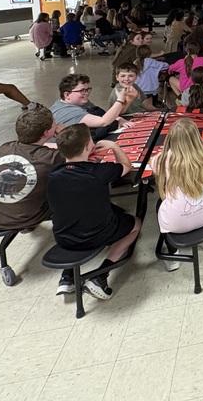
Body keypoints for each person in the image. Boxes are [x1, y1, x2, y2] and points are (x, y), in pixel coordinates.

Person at [46, 124, 142, 300]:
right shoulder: (99, 172)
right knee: (136, 223)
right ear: (87, 147)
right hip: (98, 234)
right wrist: (114, 146)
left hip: (63, 237)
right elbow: (125, 165)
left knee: (80, 212)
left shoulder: (53, 174)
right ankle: (101, 275)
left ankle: (67, 277)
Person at [0, 107, 64, 234]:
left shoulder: (6, 147)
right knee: (67, 185)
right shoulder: (50, 157)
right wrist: (64, 134)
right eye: (54, 124)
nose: (57, 125)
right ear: (46, 133)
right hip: (23, 220)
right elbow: (77, 150)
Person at [152, 119, 203, 269]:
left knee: (160, 204)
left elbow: (152, 164)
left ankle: (173, 256)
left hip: (177, 223)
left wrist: (165, 150)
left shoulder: (162, 160)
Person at [51, 74, 128, 143]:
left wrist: (118, 118)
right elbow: (103, 121)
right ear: (67, 95)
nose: (87, 94)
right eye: (82, 91)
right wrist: (120, 99)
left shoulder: (79, 102)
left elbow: (104, 115)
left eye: (87, 90)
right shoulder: (69, 111)